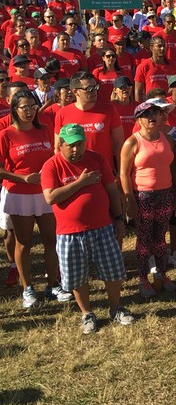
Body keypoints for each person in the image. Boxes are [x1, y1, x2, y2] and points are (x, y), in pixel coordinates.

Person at [40, 123, 134, 334]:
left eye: (80, 144)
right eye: (72, 145)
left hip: (102, 227)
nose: (77, 150)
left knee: (113, 271)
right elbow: (50, 197)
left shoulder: (97, 159)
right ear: (61, 145)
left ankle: (115, 308)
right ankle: (87, 313)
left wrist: (119, 218)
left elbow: (111, 190)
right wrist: (81, 182)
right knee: (76, 276)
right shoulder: (51, 166)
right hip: (69, 233)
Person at [0, 90, 72, 308]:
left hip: (45, 193)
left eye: (33, 106)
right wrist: (22, 177)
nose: (30, 111)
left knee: (52, 241)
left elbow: (54, 157)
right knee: (24, 243)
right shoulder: (5, 135)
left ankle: (53, 285)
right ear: (15, 109)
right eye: (24, 107)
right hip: (18, 195)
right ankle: (28, 289)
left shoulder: (45, 131)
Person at [120, 98, 176, 298]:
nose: (152, 117)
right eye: (147, 115)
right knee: (144, 239)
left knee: (160, 238)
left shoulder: (168, 138)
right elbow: (123, 173)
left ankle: (162, 274)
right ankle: (143, 278)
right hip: (143, 195)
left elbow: (173, 166)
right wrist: (129, 198)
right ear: (139, 119)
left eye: (155, 113)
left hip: (165, 193)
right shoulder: (132, 142)